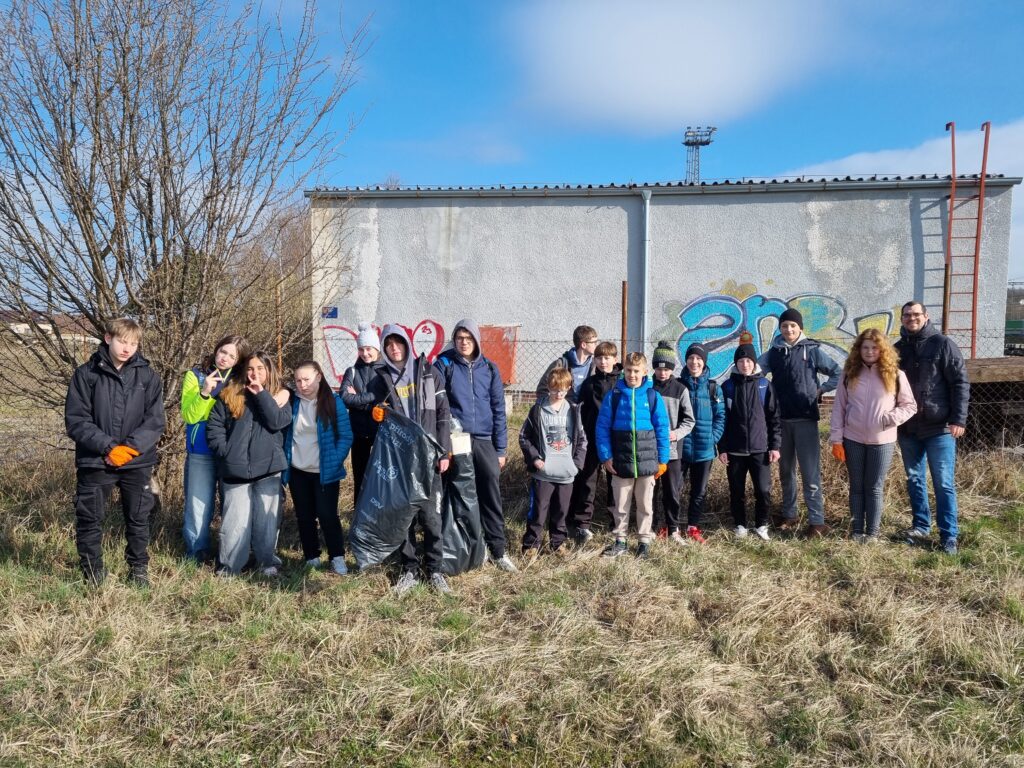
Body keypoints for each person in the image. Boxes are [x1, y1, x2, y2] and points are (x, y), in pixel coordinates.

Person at [65, 318, 166, 586]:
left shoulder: (148, 376)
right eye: (122, 341)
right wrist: (109, 447)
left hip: (136, 461)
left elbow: (155, 421)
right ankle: (93, 573)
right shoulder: (86, 374)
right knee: (90, 518)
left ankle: (138, 571)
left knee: (138, 519)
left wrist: (129, 449)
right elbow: (77, 421)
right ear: (108, 338)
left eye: (133, 344)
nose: (127, 348)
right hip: (96, 460)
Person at [372, 324, 453, 594]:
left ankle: (435, 569)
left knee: (431, 518)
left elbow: (443, 413)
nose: (394, 348)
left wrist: (443, 451)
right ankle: (409, 570)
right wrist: (376, 415)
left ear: (407, 344)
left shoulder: (428, 372)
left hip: (428, 458)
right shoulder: (381, 378)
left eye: (398, 343)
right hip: (399, 459)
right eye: (389, 344)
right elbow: (375, 415)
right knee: (403, 518)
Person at [434, 320, 516, 572]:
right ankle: (467, 548)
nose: (464, 342)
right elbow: (437, 404)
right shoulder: (444, 365)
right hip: (456, 439)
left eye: (468, 338)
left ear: (477, 340)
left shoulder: (489, 368)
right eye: (459, 337)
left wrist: (500, 449)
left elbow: (498, 410)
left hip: (483, 439)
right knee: (458, 493)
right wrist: (443, 444)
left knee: (490, 492)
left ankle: (497, 550)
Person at [206, 351, 292, 576]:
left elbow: (277, 421)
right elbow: (214, 426)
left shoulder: (279, 396)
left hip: (269, 468)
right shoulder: (230, 393)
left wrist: (261, 394)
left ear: (269, 371)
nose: (255, 373)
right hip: (235, 469)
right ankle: (230, 567)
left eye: (260, 368)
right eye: (250, 368)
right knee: (234, 522)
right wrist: (226, 452)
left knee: (266, 523)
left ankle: (266, 563)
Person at [894, 301, 970, 554]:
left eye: (916, 314)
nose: (911, 318)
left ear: (926, 316)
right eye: (907, 315)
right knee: (914, 479)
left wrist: (958, 419)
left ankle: (949, 535)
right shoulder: (897, 349)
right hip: (908, 428)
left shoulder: (943, 344)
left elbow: (960, 382)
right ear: (902, 319)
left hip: (939, 427)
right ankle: (921, 526)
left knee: (943, 483)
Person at [758, 308, 841, 537]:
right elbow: (755, 371)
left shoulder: (812, 351)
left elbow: (838, 372)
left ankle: (817, 521)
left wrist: (821, 390)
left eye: (793, 326)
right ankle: (790, 515)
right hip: (781, 420)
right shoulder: (773, 353)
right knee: (786, 471)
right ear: (780, 329)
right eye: (785, 326)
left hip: (806, 419)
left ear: (800, 328)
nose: (789, 329)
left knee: (810, 473)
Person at [829, 329, 917, 543]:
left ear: (882, 349)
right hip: (853, 439)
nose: (869, 351)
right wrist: (836, 439)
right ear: (858, 350)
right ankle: (857, 531)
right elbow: (839, 408)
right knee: (856, 486)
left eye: (874, 347)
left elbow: (910, 405)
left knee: (874, 487)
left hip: (882, 441)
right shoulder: (849, 374)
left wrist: (889, 419)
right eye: (865, 347)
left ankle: (872, 533)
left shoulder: (895, 375)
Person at [180, 334, 249, 563]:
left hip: (231, 451)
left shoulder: (240, 381)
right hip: (201, 450)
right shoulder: (195, 375)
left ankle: (230, 553)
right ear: (216, 349)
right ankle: (196, 552)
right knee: (198, 503)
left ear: (238, 361)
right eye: (222, 351)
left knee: (232, 504)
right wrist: (205, 393)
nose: (224, 358)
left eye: (232, 356)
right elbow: (189, 416)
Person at [596, 351, 670, 559]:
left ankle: (644, 542)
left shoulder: (652, 396)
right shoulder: (614, 396)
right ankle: (620, 540)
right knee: (620, 505)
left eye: (636, 371)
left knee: (645, 505)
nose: (632, 375)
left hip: (647, 463)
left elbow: (662, 429)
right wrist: (606, 456)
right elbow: (602, 428)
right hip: (620, 462)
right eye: (628, 370)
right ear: (624, 371)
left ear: (645, 372)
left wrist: (663, 460)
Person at [285, 360, 354, 575]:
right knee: (304, 516)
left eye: (306, 379)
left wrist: (335, 460)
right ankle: (311, 557)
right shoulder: (292, 401)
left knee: (327, 515)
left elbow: (345, 436)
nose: (302, 385)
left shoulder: (333, 401)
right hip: (297, 470)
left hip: (325, 471)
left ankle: (337, 557)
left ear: (319, 377)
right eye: (298, 380)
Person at [519, 367, 588, 560]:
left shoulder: (573, 410)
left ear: (569, 388)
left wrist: (576, 465)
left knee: (561, 511)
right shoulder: (538, 410)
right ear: (548, 388)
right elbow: (524, 437)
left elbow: (582, 440)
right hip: (543, 473)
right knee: (538, 511)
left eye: (563, 390)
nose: (559, 394)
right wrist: (534, 458)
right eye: (555, 390)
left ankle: (558, 544)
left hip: (566, 473)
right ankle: (531, 545)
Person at [718, 343, 781, 541]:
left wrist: (775, 446)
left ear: (754, 362)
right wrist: (722, 448)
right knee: (737, 490)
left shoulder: (764, 386)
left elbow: (774, 418)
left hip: (760, 449)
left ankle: (761, 525)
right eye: (740, 361)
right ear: (735, 363)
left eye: (748, 361)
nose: (744, 364)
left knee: (763, 490)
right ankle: (740, 525)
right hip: (735, 450)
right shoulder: (727, 387)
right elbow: (722, 420)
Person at [569, 341, 621, 544]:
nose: (603, 362)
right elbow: (581, 413)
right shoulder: (589, 384)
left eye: (607, 358)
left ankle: (616, 524)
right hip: (591, 440)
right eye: (599, 358)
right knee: (588, 481)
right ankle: (582, 524)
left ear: (615, 359)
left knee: (615, 483)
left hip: (615, 441)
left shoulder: (622, 384)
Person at [678, 342, 725, 543]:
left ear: (704, 362)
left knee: (699, 491)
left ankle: (693, 527)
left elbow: (721, 416)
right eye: (691, 358)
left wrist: (713, 438)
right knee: (675, 489)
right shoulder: (678, 385)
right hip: (681, 448)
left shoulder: (714, 388)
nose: (694, 362)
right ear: (686, 361)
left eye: (698, 358)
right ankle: (672, 526)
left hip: (704, 450)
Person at [650, 341, 695, 543]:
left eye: (667, 369)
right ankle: (650, 527)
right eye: (659, 368)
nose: (662, 373)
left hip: (673, 451)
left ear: (672, 369)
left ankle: (673, 528)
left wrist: (676, 434)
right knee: (650, 490)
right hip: (649, 450)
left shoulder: (680, 389)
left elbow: (689, 420)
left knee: (672, 491)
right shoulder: (646, 388)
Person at [341, 321, 385, 504]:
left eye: (369, 349)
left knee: (381, 478)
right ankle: (358, 514)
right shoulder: (351, 371)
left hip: (381, 435)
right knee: (360, 478)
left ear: (377, 348)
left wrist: (358, 399)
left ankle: (379, 514)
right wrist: (372, 399)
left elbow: (385, 399)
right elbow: (345, 398)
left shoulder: (385, 371)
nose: (365, 353)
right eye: (361, 349)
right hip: (358, 434)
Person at [535, 324, 598, 402]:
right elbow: (542, 389)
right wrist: (554, 406)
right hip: (564, 409)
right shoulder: (561, 364)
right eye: (594, 342)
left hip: (586, 409)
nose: (597, 345)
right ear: (583, 345)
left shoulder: (596, 365)